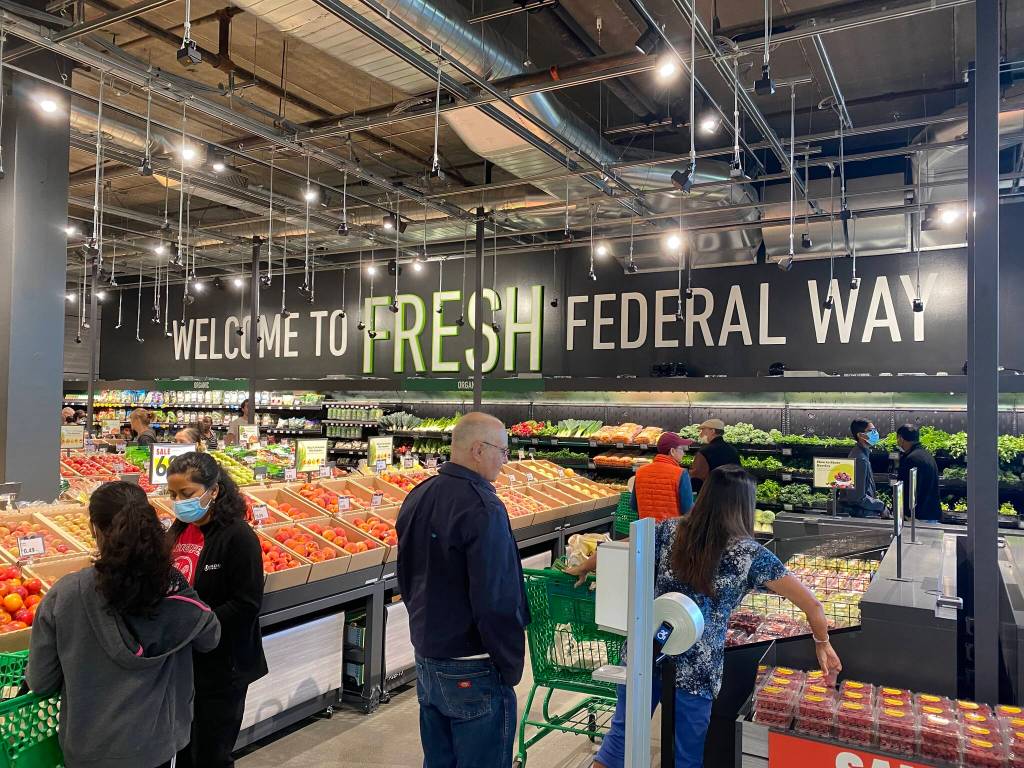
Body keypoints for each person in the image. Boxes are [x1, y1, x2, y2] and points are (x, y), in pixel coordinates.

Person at [569, 467, 841, 768]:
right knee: (688, 755)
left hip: (649, 646)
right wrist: (822, 642)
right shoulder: (750, 554)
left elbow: (618, 549)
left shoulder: (669, 529)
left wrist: (584, 567)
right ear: (743, 506)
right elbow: (812, 604)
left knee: (619, 739)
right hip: (699, 665)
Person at [28, 481, 220, 768]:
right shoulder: (170, 587)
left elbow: (41, 681)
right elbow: (210, 637)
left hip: (87, 748)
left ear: (95, 529)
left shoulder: (65, 594)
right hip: (155, 746)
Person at [396, 412, 530, 768]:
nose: (505, 460)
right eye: (502, 451)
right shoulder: (483, 508)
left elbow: (405, 575)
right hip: (474, 666)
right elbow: (497, 599)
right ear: (477, 450)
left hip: (429, 659)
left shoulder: (418, 495)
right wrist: (509, 664)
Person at [166, 452, 268, 768]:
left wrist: (199, 626)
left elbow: (246, 604)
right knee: (183, 752)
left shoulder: (238, 537)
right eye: (173, 495)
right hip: (183, 663)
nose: (179, 502)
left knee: (210, 754)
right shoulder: (178, 530)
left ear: (214, 490)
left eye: (187, 494)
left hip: (223, 666)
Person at [631, 432, 695, 521]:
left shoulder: (640, 471)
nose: (684, 453)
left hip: (646, 530)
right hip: (671, 531)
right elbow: (687, 509)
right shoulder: (681, 473)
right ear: (672, 451)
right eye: (682, 449)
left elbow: (634, 506)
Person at [840, 418, 889, 518]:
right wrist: (881, 506)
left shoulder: (862, 454)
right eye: (871, 431)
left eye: (875, 430)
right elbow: (857, 497)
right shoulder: (860, 459)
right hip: (860, 514)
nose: (875, 434)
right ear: (860, 435)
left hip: (863, 512)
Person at [896, 424, 941, 521]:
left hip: (917, 517)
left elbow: (906, 489)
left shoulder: (911, 459)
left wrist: (905, 514)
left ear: (901, 439)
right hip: (931, 514)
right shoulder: (927, 455)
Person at [688, 418, 741, 491]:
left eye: (703, 430)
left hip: (710, 495)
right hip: (731, 494)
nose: (700, 434)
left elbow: (696, 479)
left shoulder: (704, 452)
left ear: (712, 431)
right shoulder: (733, 450)